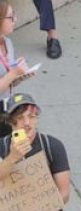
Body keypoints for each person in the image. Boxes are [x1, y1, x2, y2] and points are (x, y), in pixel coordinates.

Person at [1, 1, 35, 135]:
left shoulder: (8, 43)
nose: (15, 20)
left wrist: (20, 76)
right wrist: (14, 73)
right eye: (11, 17)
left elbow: (8, 81)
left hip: (6, 106)